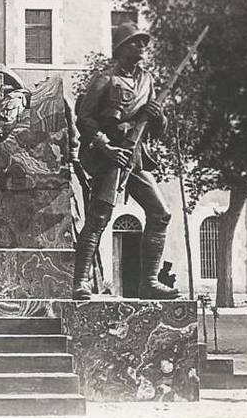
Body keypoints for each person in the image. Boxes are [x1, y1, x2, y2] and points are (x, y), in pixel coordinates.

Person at [71, 21, 177, 301]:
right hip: (111, 157)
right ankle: (80, 283)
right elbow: (85, 118)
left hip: (136, 158)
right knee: (98, 219)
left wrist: (159, 116)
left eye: (144, 42)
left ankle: (149, 282)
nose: (142, 47)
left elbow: (157, 130)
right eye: (135, 42)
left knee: (160, 214)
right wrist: (105, 147)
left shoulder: (147, 80)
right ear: (121, 48)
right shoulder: (104, 79)